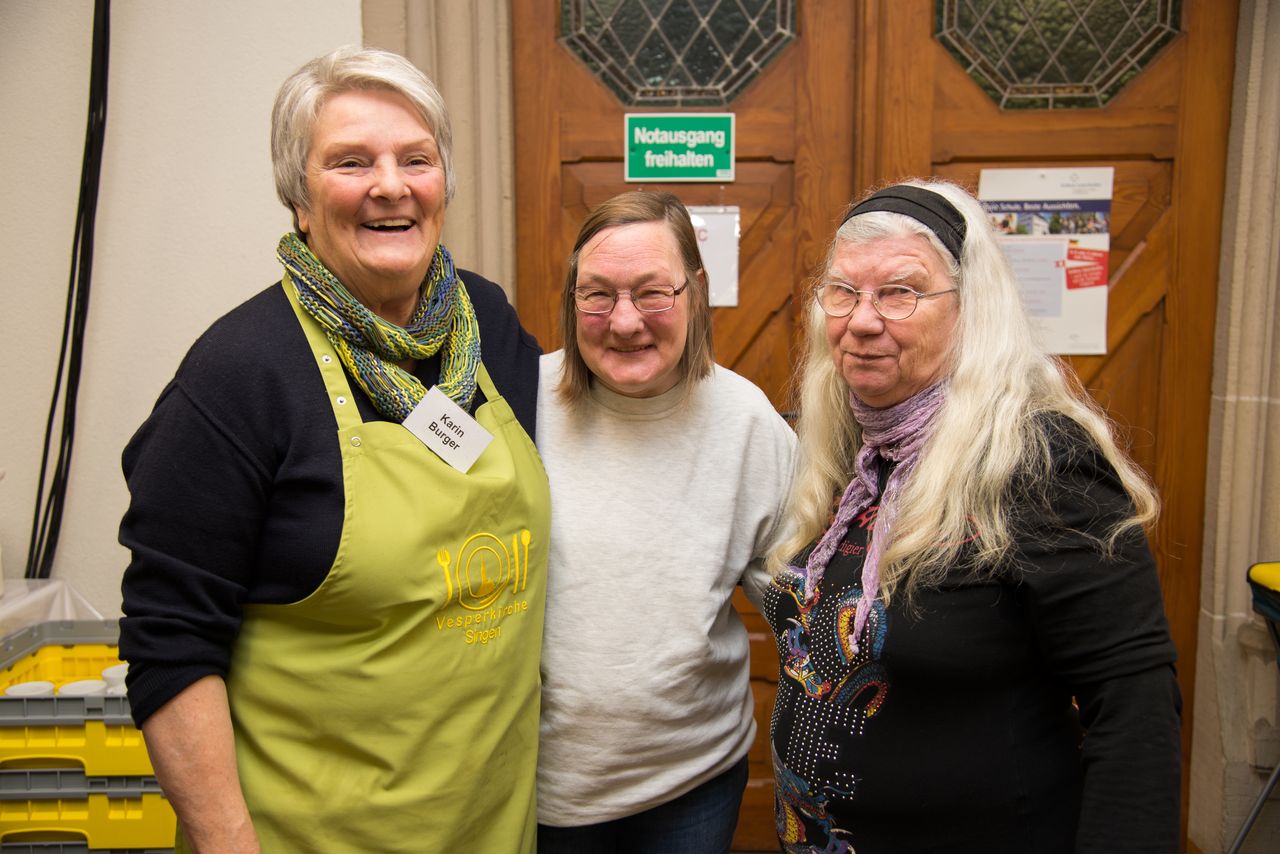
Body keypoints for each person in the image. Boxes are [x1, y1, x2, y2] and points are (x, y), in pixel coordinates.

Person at [118, 46, 547, 852]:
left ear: (443, 184)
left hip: (491, 828)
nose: (391, 186)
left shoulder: (487, 325)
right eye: (351, 162)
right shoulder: (240, 374)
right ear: (299, 199)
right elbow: (170, 642)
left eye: (416, 159)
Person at [764, 181, 1181, 853]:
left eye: (900, 292)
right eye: (843, 291)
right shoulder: (850, 446)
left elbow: (1134, 707)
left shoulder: (1039, 460)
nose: (862, 320)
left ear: (971, 308)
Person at [535, 191, 795, 853]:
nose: (624, 322)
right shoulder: (517, 401)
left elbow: (806, 610)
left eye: (652, 293)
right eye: (597, 295)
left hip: (691, 783)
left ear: (696, 292)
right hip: (539, 784)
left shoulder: (746, 424)